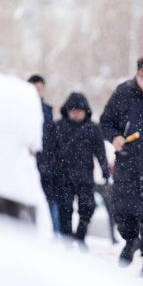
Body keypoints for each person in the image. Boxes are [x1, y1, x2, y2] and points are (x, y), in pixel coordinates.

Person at [99, 56, 143, 279]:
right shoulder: (124, 93)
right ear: (137, 74)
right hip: (128, 164)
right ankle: (130, 240)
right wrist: (115, 137)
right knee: (122, 212)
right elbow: (105, 121)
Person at [54, 92, 110, 246]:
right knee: (64, 209)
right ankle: (66, 238)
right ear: (67, 111)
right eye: (73, 110)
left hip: (85, 176)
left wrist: (105, 170)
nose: (77, 113)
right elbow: (51, 152)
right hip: (63, 176)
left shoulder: (92, 129)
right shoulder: (58, 127)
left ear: (86, 111)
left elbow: (100, 151)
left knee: (87, 207)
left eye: (80, 110)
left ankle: (80, 235)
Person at [28, 74, 59, 233]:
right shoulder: (23, 110)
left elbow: (51, 139)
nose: (36, 92)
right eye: (33, 89)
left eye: (39, 89)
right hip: (29, 163)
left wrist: (52, 161)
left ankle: (54, 235)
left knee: (50, 200)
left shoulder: (48, 111)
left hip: (47, 163)